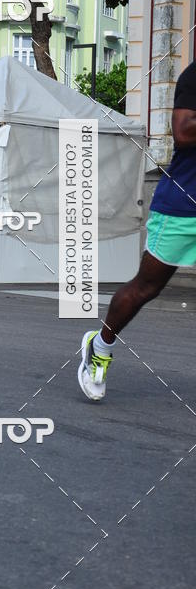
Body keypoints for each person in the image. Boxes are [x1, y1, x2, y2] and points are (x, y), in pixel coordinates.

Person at [78, 59, 196, 400]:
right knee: (146, 287)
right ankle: (100, 347)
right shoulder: (193, 76)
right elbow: (185, 132)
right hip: (183, 206)